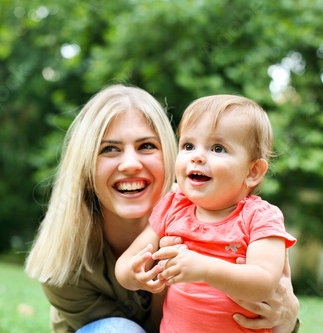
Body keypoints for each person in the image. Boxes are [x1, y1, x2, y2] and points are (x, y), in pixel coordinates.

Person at [25, 85, 301, 333]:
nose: (130, 164)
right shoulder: (64, 265)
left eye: (146, 146)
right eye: (109, 149)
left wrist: (287, 319)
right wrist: (153, 277)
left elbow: (265, 291)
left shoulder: (252, 218)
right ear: (85, 171)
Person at [115, 95, 297, 333]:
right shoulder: (174, 206)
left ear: (253, 171)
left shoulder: (259, 217)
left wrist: (204, 268)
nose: (197, 156)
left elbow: (264, 284)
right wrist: (131, 275)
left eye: (218, 148)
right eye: (188, 146)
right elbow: (128, 261)